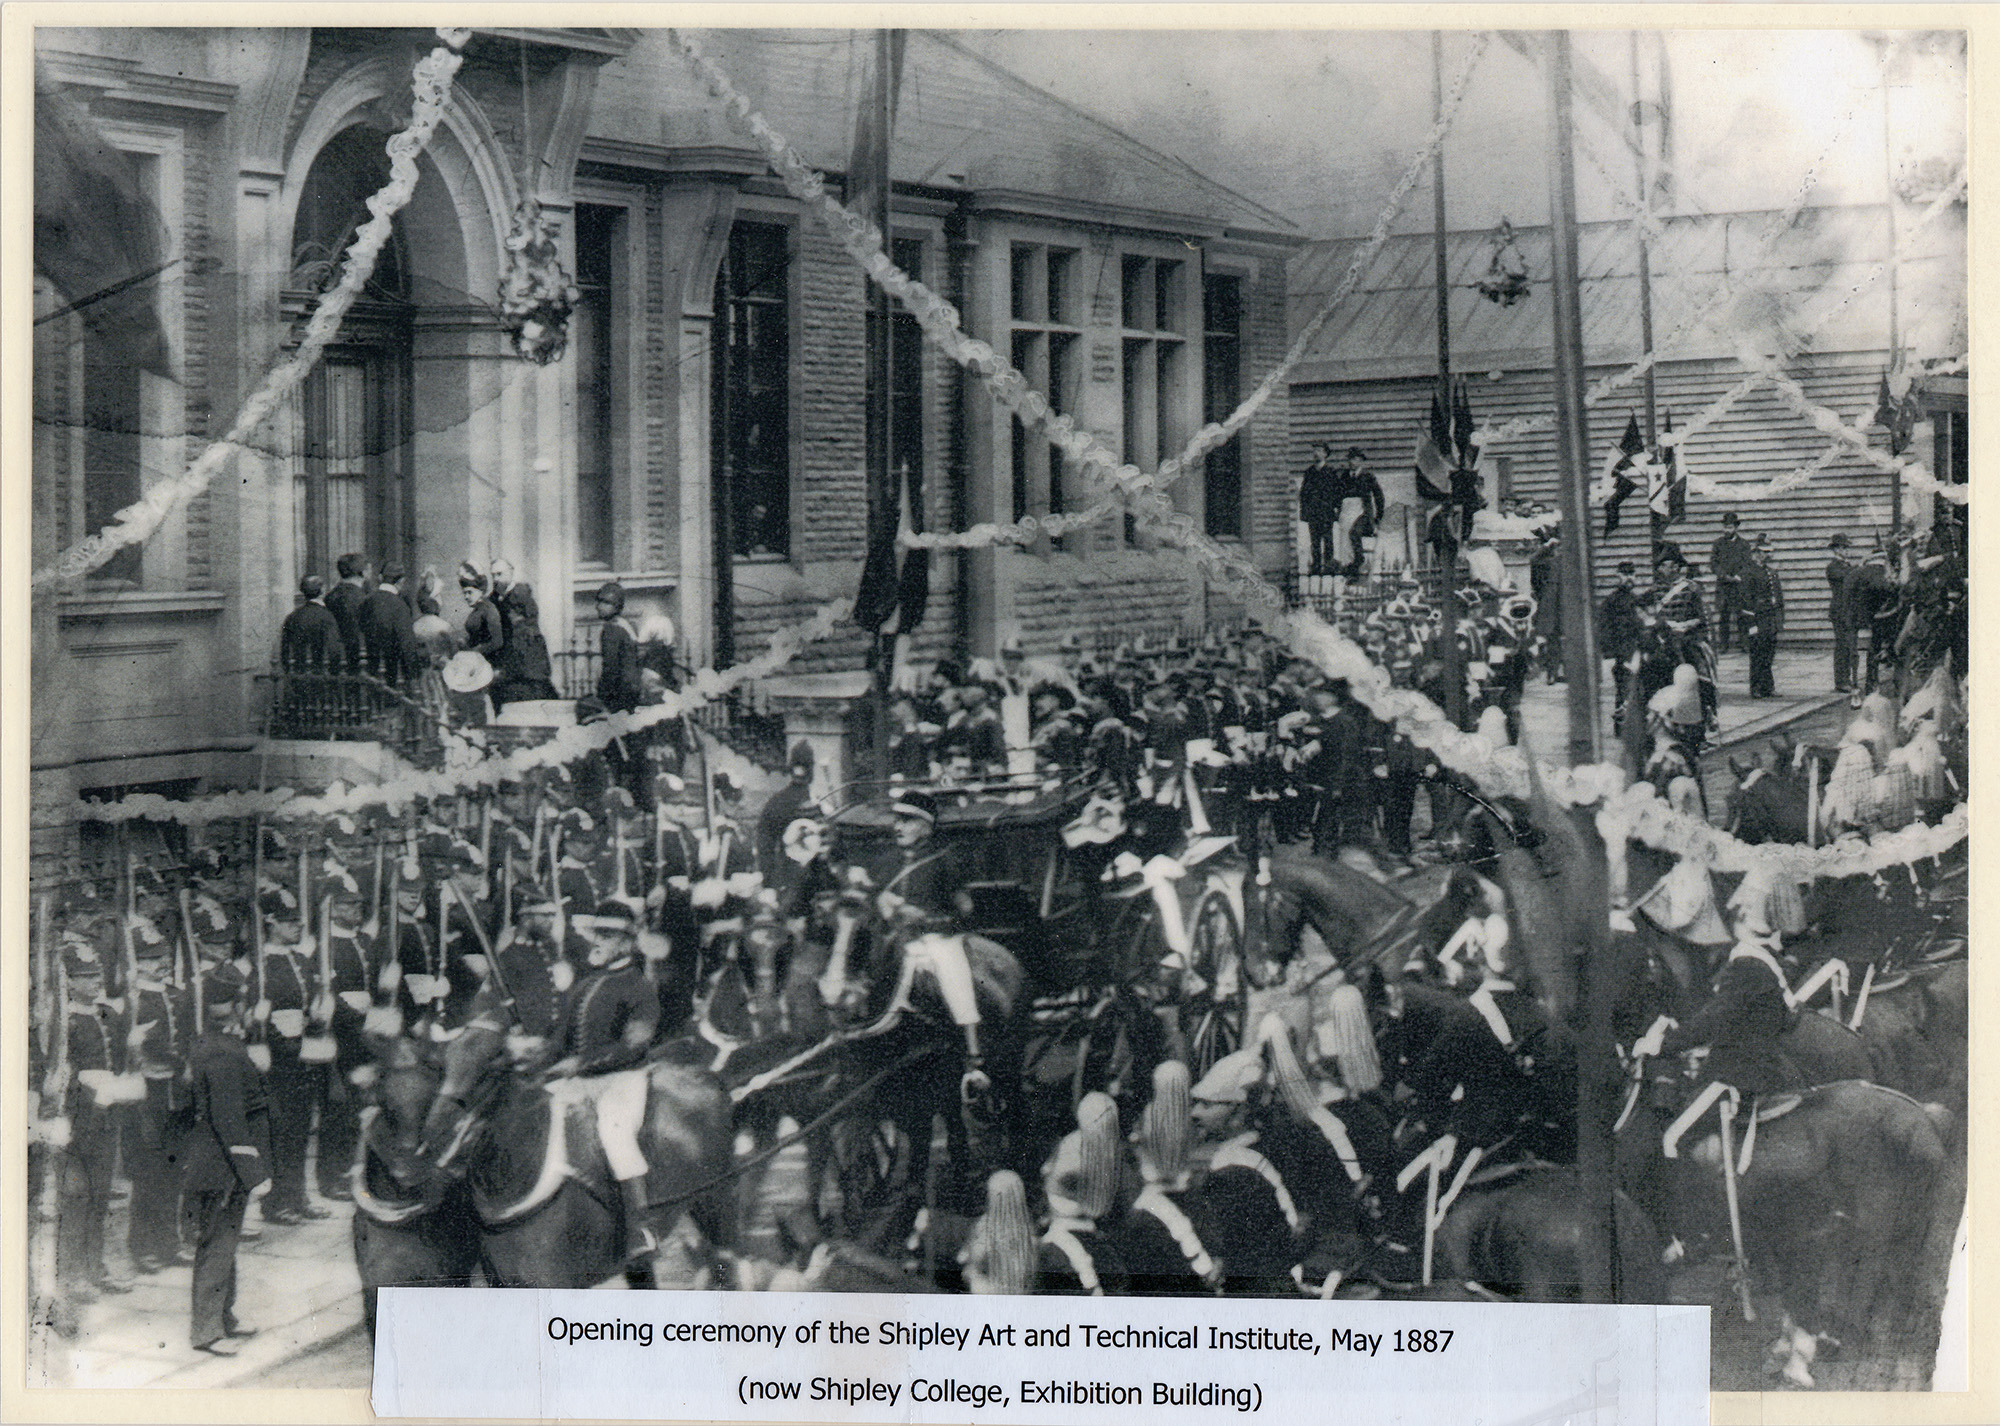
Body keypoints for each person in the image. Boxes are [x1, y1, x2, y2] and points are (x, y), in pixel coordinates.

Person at [538, 900, 661, 1284]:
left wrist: (582, 1065)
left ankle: (638, 1231)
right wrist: (536, 1057)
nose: (599, 941)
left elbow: (633, 1046)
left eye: (609, 936)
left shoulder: (640, 987)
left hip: (623, 1080)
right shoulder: (584, 983)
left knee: (613, 1133)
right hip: (580, 1080)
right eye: (599, 934)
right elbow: (561, 1039)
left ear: (627, 943)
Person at [183, 980, 272, 1356]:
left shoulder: (216, 1045)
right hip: (223, 1164)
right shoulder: (222, 1054)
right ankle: (206, 1331)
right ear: (234, 1010)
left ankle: (224, 1318)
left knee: (226, 1241)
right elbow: (228, 1117)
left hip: (220, 1160)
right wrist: (252, 1171)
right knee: (217, 1244)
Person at [489, 559, 558, 707]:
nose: (496, 579)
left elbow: (530, 624)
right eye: (493, 575)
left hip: (525, 656)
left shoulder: (522, 595)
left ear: (511, 573)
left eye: (499, 574)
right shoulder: (494, 599)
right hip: (506, 656)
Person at [1600, 561, 1644, 732]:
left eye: (1631, 574)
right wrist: (1609, 655)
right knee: (1623, 690)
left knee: (1638, 688)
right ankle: (1621, 729)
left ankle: (1635, 728)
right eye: (1625, 575)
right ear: (1618, 577)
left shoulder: (1637, 600)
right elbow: (1603, 629)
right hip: (1620, 652)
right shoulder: (1610, 602)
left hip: (1637, 651)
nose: (1629, 578)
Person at [1738, 536, 1785, 699]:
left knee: (1769, 653)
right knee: (1757, 653)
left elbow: (1778, 598)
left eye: (1767, 553)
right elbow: (1745, 600)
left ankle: (1767, 686)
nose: (1766, 556)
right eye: (1763, 553)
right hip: (1757, 618)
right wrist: (1751, 624)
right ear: (1756, 553)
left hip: (1770, 617)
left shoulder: (1770, 572)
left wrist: (1779, 619)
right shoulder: (1747, 572)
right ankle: (1756, 687)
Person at [360, 566, 420, 684]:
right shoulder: (400, 605)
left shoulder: (366, 601)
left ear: (380, 578)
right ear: (401, 581)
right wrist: (412, 675)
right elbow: (406, 642)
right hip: (393, 672)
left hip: (369, 667)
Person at [279, 575, 342, 673]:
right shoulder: (326, 616)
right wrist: (334, 673)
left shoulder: (292, 617)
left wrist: (287, 672)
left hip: (298, 675)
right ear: (322, 591)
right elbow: (334, 649)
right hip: (320, 676)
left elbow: (284, 651)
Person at [1709, 514, 1753, 654]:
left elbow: (1747, 564)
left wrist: (1739, 576)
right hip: (1724, 586)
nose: (1726, 530)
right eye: (1725, 527)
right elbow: (1713, 564)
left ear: (1736, 528)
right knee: (1723, 616)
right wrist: (1724, 575)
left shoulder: (1744, 545)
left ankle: (1744, 643)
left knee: (1742, 615)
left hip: (1739, 586)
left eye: (1729, 527)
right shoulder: (1718, 544)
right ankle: (1724, 645)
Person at [1825, 533, 1861, 694]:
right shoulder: (1833, 567)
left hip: (1850, 610)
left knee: (1851, 646)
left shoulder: (1847, 566)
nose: (1847, 551)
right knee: (1842, 646)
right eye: (1844, 548)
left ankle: (1851, 679)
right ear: (1837, 549)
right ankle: (1841, 681)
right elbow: (1848, 578)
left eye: (1847, 548)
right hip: (1840, 611)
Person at [1298, 443, 1339, 576]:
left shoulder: (1331, 472)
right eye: (1315, 450)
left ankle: (1328, 567)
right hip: (1313, 513)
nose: (1317, 453)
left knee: (1327, 541)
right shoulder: (1309, 472)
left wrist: (1336, 509)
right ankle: (1315, 567)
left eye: (1320, 451)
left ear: (1325, 454)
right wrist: (1304, 512)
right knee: (1314, 542)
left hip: (1326, 513)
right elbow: (1303, 494)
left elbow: (1336, 492)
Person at [325, 553, 370, 670]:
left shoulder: (330, 596)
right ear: (364, 573)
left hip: (333, 657)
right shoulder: (363, 599)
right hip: (357, 660)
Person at [458, 563, 505, 665]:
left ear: (480, 591)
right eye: (464, 593)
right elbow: (476, 635)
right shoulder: (477, 610)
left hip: (489, 661)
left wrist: (476, 651)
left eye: (469, 592)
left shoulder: (489, 609)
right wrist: (465, 641)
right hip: (476, 659)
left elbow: (497, 641)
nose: (466, 597)